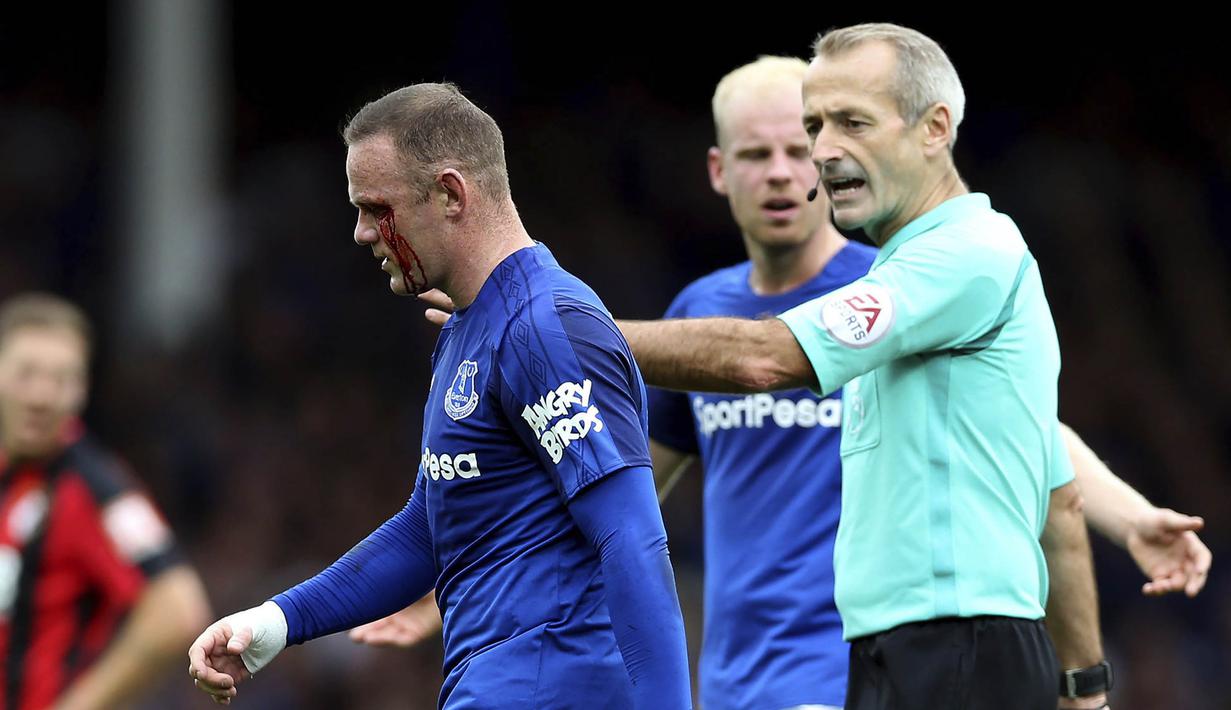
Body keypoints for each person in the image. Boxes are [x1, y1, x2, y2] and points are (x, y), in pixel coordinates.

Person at [387, 51, 1212, 710]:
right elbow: (623, 481)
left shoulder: (890, 285)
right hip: (743, 671)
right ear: (719, 171)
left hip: (853, 657)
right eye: (765, 151)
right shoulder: (697, 313)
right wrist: (458, 570)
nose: (790, 168)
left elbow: (1025, 424)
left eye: (808, 141)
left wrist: (1128, 513)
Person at [613, 23, 1110, 710]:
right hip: (899, 652)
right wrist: (1084, 685)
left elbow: (764, 356)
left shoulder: (961, 256)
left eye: (852, 122)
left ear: (934, 127)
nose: (823, 152)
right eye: (815, 124)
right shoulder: (912, 275)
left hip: (958, 649)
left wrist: (563, 330)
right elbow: (1060, 501)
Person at [187, 83, 692, 709]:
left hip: (553, 688)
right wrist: (274, 623)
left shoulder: (548, 329)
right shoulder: (469, 327)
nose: (361, 233)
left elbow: (631, 539)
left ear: (451, 193)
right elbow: (429, 529)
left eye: (377, 209)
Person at [0, 292, 211, 710]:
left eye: (61, 379)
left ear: (83, 390)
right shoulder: (13, 475)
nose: (41, 396)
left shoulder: (94, 487)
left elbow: (178, 606)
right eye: (26, 374)